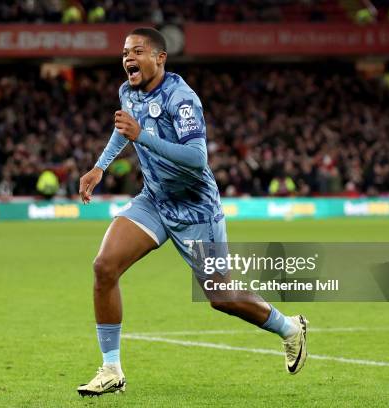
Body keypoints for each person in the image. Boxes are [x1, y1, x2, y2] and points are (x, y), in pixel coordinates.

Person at [76, 28, 308, 397]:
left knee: (221, 297)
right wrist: (100, 167)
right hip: (154, 200)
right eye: (124, 53)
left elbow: (197, 159)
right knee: (104, 267)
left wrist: (143, 136)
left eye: (137, 51)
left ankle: (290, 328)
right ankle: (111, 369)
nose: (128, 59)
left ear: (160, 58)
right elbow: (123, 130)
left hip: (196, 209)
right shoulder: (128, 91)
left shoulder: (182, 99)